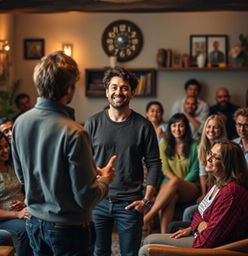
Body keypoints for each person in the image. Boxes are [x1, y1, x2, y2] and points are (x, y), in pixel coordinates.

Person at [11, 51, 116, 256]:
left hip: (34, 223)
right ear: (69, 90)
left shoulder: (20, 123)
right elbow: (86, 198)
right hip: (68, 229)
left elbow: (23, 176)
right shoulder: (74, 132)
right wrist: (105, 179)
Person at [84, 66, 161, 256]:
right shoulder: (92, 123)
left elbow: (154, 163)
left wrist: (147, 199)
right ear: (107, 92)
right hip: (97, 200)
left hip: (130, 203)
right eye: (114, 87)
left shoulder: (143, 126)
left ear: (133, 92)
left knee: (130, 253)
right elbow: (82, 162)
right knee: (98, 251)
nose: (119, 92)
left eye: (124, 88)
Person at [139, 140, 248, 255]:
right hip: (199, 237)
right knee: (148, 239)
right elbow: (197, 213)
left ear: (229, 164)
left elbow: (207, 242)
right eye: (210, 153)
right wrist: (199, 225)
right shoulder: (217, 183)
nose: (209, 159)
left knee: (145, 250)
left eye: (216, 157)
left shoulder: (231, 193)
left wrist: (199, 225)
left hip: (211, 249)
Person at [143, 113, 200, 234]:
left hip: (190, 187)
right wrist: (175, 184)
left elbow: (195, 171)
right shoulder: (164, 144)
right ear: (170, 127)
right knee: (172, 197)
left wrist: (179, 183)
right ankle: (165, 236)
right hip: (169, 185)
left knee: (174, 183)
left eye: (181, 126)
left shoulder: (195, 145)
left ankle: (147, 217)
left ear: (186, 128)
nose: (177, 129)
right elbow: (164, 169)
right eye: (174, 125)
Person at [0, 129, 33, 256]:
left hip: (24, 211)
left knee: (42, 223)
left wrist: (24, 203)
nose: (5, 150)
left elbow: (26, 190)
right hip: (3, 218)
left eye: (6, 145)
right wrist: (17, 214)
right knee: (27, 229)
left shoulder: (13, 166)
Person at [182, 115, 227, 222]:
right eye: (209, 127)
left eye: (215, 127)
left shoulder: (226, 148)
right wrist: (204, 194)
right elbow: (202, 173)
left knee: (189, 212)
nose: (211, 130)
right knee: (188, 212)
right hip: (209, 188)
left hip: (221, 189)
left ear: (221, 130)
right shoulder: (201, 147)